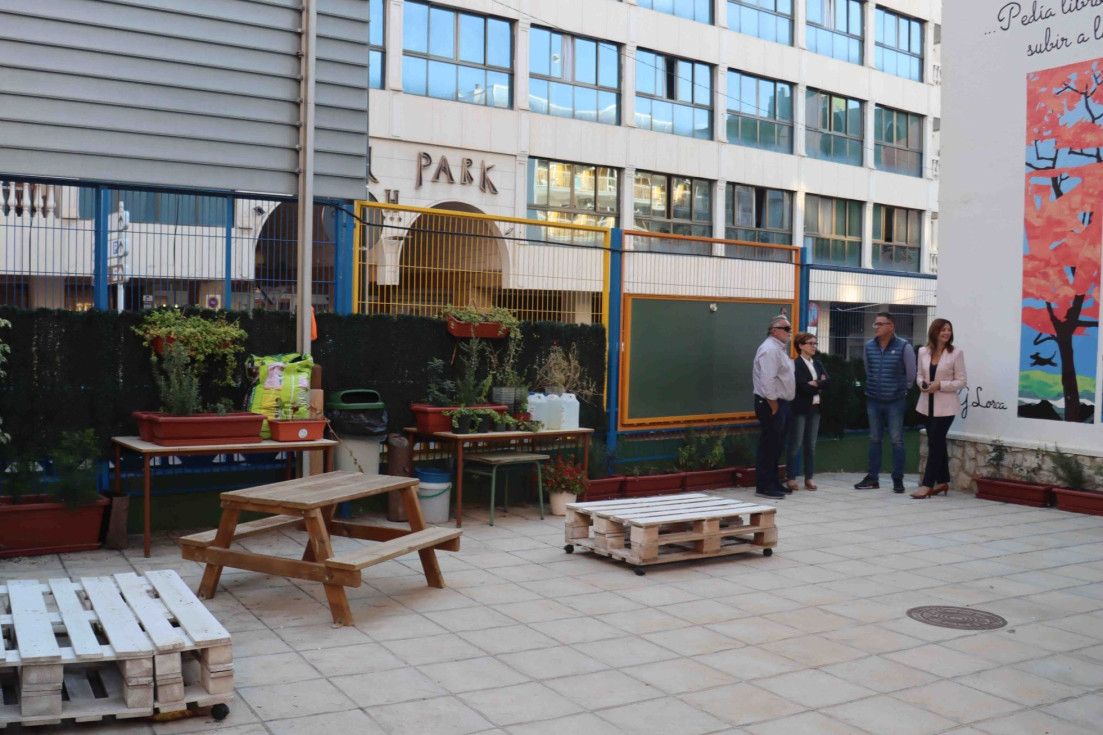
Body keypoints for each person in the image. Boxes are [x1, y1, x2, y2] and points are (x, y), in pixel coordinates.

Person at [854, 311, 916, 493]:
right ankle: (872, 478)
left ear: (891, 326)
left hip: (895, 400)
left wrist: (902, 389)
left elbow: (911, 373)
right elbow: (867, 368)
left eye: (880, 324)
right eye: (875, 324)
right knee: (874, 439)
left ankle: (898, 480)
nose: (876, 327)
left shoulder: (904, 346)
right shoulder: (868, 346)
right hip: (873, 399)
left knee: (897, 440)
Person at [912, 318, 967, 498]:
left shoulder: (956, 353)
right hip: (927, 405)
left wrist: (940, 385)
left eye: (949, 330)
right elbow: (919, 374)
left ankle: (927, 484)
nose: (946, 333)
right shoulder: (923, 351)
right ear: (934, 331)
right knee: (937, 442)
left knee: (934, 443)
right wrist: (922, 384)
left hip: (946, 407)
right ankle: (943, 482)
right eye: (943, 329)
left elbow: (961, 381)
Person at [752, 315, 796, 499]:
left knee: (777, 446)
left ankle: (773, 481)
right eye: (786, 329)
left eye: (789, 329)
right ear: (774, 330)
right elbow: (767, 379)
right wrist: (773, 403)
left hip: (780, 403)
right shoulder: (770, 349)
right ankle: (764, 486)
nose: (789, 332)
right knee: (769, 445)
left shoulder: (779, 349)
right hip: (771, 403)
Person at [786, 332, 830, 491]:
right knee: (796, 444)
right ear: (800, 345)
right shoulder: (795, 364)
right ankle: (790, 477)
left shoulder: (818, 363)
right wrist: (819, 383)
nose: (814, 346)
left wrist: (815, 383)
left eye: (815, 343)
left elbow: (828, 381)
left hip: (815, 408)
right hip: (800, 409)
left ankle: (809, 478)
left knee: (811, 445)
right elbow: (801, 387)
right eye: (810, 343)